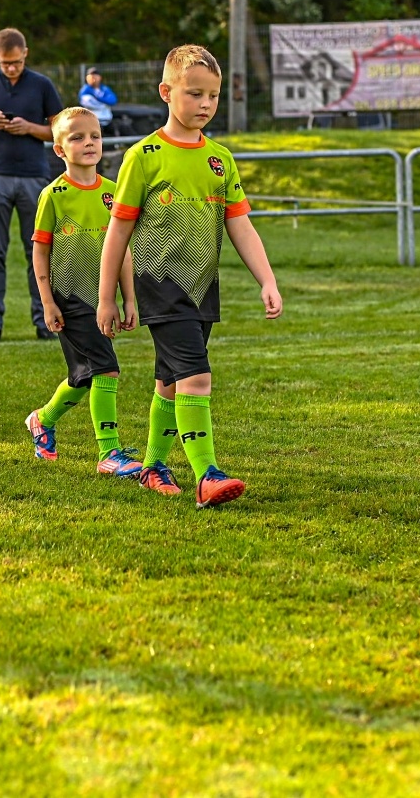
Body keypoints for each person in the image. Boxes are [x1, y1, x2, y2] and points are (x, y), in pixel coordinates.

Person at [97, 44, 282, 509]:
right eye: (194, 93)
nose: (205, 104)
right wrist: (107, 298)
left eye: (213, 96)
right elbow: (117, 230)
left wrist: (267, 279)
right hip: (160, 282)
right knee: (197, 377)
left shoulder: (220, 158)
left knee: (171, 381)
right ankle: (207, 475)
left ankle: (154, 466)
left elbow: (239, 223)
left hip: (203, 285)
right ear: (166, 92)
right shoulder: (145, 155)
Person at [25, 106, 141, 475]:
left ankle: (41, 420)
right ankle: (110, 453)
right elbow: (39, 251)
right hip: (70, 297)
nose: (88, 143)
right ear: (60, 149)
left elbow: (121, 251)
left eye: (94, 136)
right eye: (77, 137)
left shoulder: (113, 194)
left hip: (101, 297)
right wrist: (47, 303)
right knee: (106, 370)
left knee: (84, 376)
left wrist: (129, 298)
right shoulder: (53, 195)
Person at [0, 27, 63, 344]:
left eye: (16, 62)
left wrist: (29, 128)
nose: (11, 68)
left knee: (38, 251)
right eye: (6, 63)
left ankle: (44, 320)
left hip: (34, 176)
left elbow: (60, 130)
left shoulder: (42, 85)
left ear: (25, 54)